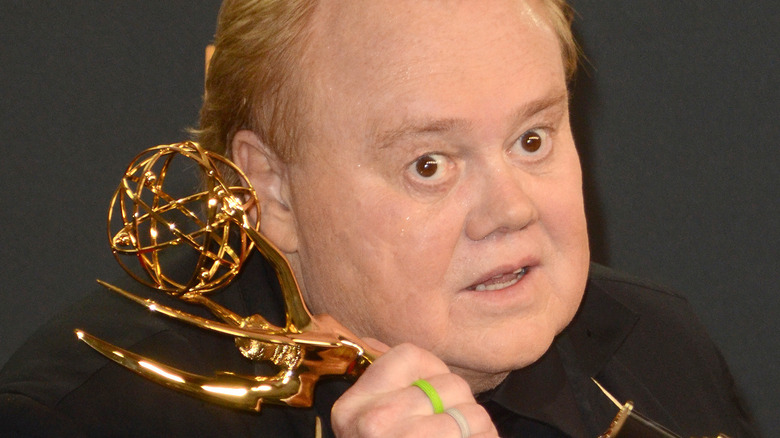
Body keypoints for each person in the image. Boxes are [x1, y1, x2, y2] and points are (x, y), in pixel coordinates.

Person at [0, 1, 758, 437]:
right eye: (430, 164)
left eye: (532, 139)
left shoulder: (658, 345)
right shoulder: (84, 420)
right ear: (274, 192)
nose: (513, 210)